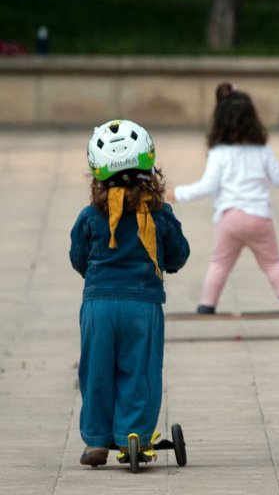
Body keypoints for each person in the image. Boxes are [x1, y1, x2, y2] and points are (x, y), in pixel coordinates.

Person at [70, 119, 190, 467]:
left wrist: (96, 276)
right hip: (142, 305)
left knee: (96, 370)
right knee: (139, 370)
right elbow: (178, 255)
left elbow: (78, 257)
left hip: (99, 307)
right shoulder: (160, 213)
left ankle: (95, 441)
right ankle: (131, 438)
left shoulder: (91, 215)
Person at [170, 83, 279, 314]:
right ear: (253, 120)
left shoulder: (218, 154)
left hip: (229, 219)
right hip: (259, 219)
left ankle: (206, 305)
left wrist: (177, 193)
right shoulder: (263, 151)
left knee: (219, 265)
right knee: (272, 262)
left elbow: (206, 186)